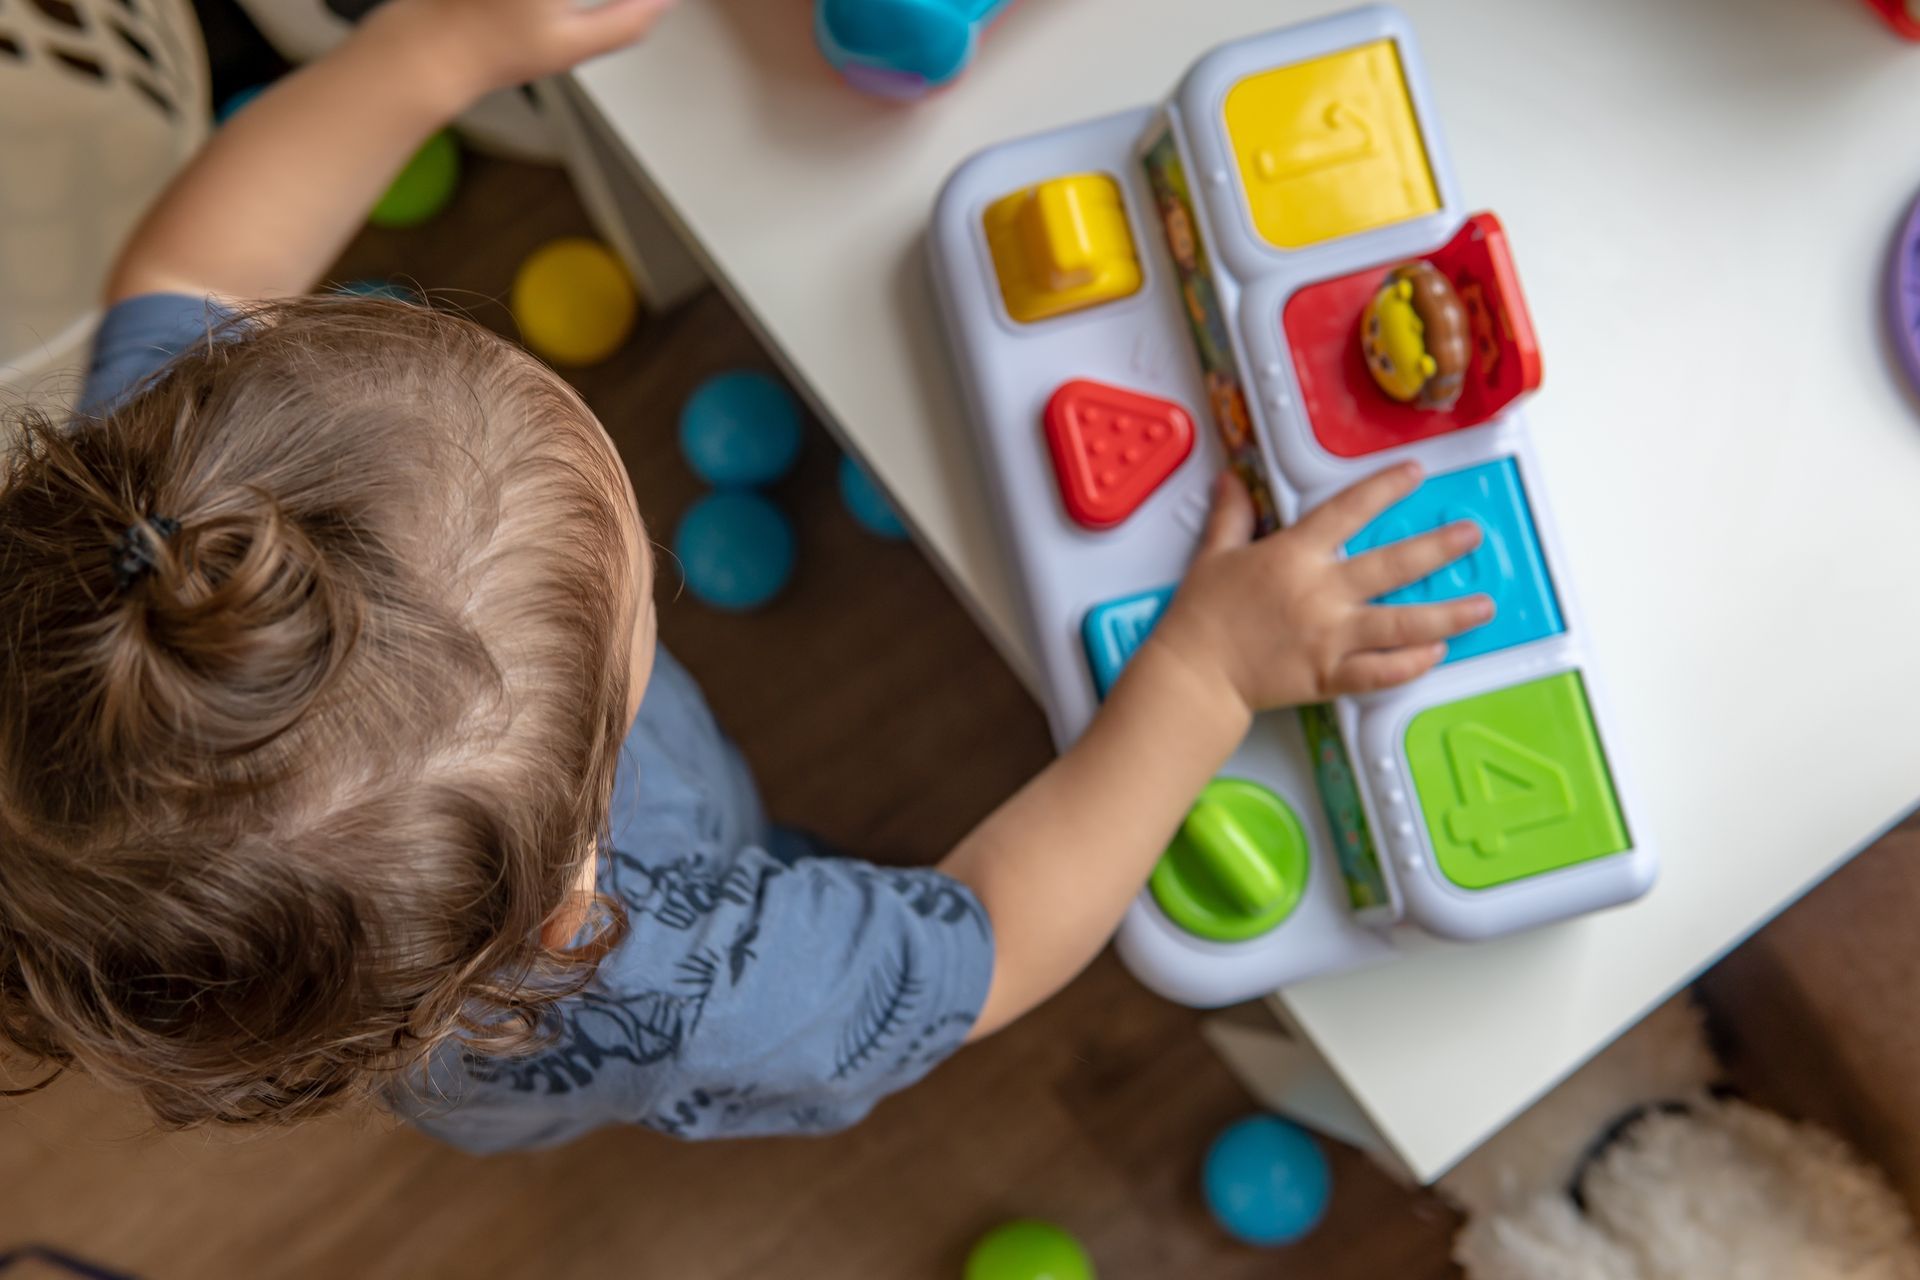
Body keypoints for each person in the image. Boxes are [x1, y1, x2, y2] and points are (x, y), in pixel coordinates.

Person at [0, 0, 1491, 1149]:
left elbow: (188, 269)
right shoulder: (677, 985)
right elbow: (980, 946)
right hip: (662, 898)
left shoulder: (155, 553)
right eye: (634, 576)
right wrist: (1203, 676)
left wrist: (433, 47)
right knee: (767, 854)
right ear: (565, 888)